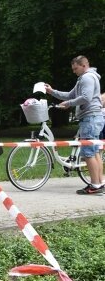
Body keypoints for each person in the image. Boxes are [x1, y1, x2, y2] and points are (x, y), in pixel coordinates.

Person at [45, 56, 104, 195]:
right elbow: (70, 95)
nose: (74, 71)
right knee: (95, 152)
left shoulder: (87, 78)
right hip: (94, 117)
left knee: (88, 153)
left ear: (84, 65)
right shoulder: (85, 78)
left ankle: (95, 186)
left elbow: (86, 97)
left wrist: (69, 104)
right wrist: (52, 92)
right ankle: (99, 183)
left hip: (90, 118)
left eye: (75, 68)